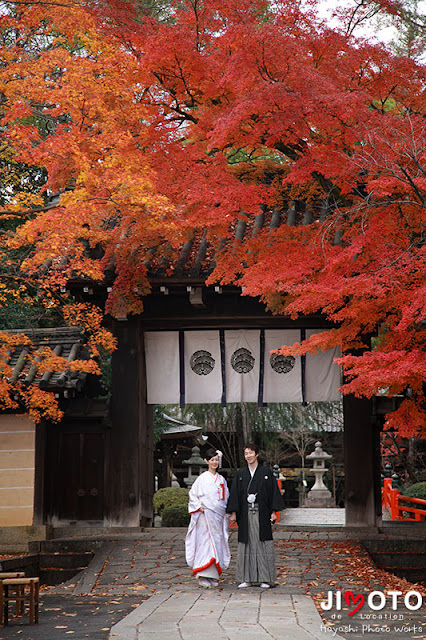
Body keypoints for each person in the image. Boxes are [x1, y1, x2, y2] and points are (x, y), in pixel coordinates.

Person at [226, 443, 284, 589]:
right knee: (246, 544)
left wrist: (273, 511)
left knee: (262, 543)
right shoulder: (241, 474)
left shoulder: (266, 472)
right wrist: (233, 512)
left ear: (257, 454)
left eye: (251, 452)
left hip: (262, 512)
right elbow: (235, 494)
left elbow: (273, 493)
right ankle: (247, 578)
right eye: (246, 453)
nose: (249, 456)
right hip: (245, 514)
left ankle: (266, 578)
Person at [185, 449, 230, 588]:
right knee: (205, 543)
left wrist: (224, 510)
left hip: (217, 516)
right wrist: (199, 507)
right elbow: (193, 494)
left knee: (217, 543)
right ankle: (203, 574)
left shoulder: (221, 479)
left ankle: (214, 575)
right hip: (205, 516)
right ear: (207, 461)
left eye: (216, 459)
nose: (214, 462)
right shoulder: (202, 478)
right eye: (212, 460)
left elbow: (225, 497)